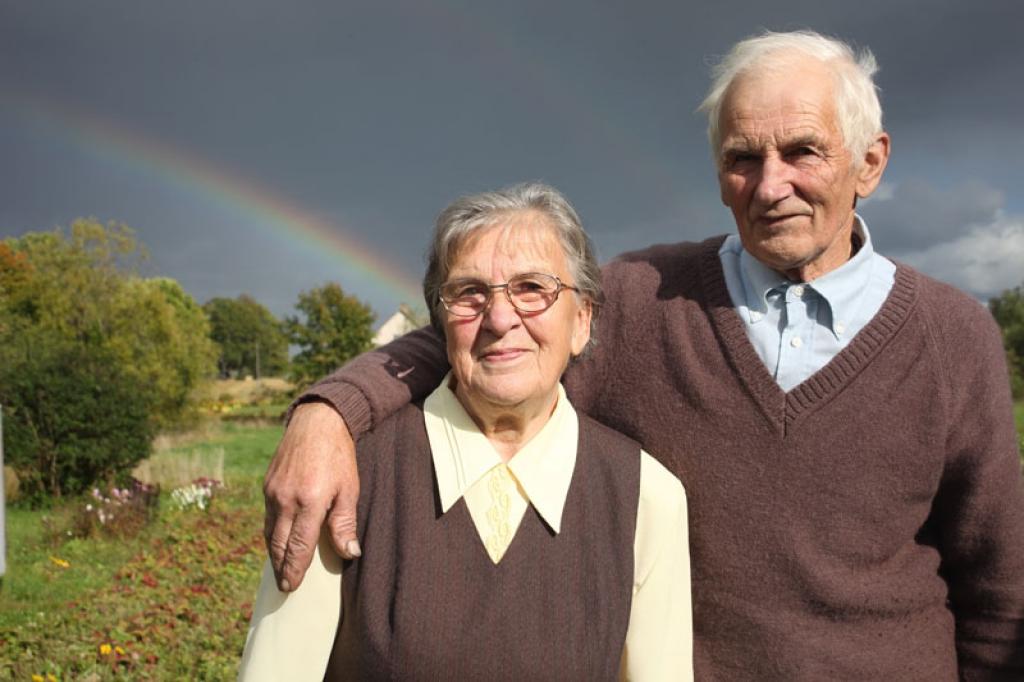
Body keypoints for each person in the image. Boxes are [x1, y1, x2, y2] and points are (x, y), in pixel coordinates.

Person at [263, 31, 1024, 680]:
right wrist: (327, 415)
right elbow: (488, 337)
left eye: (803, 152)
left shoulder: (953, 336)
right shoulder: (641, 299)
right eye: (743, 157)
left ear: (870, 162)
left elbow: (998, 590)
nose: (771, 185)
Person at [242, 183, 693, 680]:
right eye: (469, 292)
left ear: (582, 321)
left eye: (532, 287)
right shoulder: (345, 476)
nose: (499, 318)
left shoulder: (646, 498)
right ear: (440, 323)